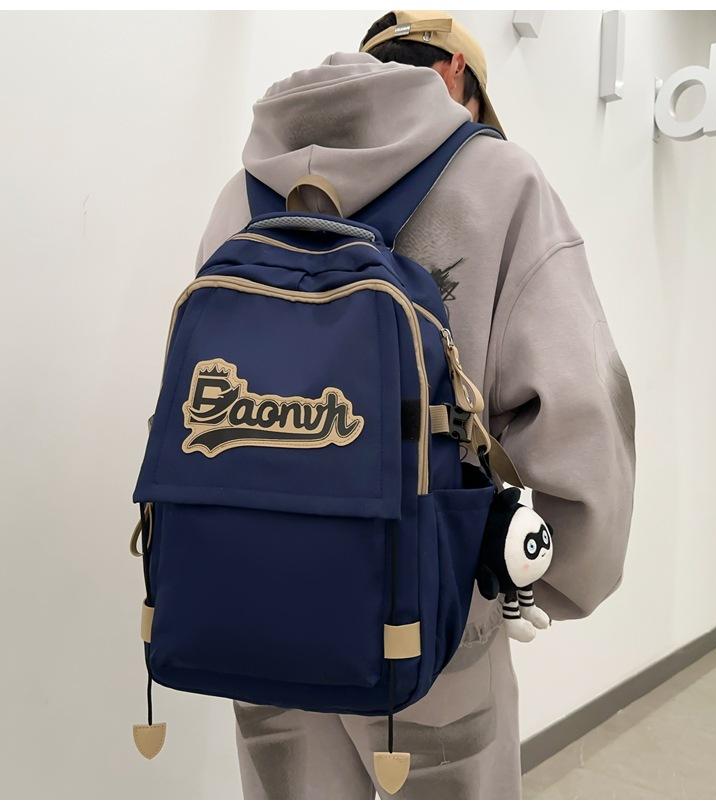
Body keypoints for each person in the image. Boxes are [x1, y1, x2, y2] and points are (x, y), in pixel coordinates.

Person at [195, 10, 636, 801]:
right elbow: (582, 414)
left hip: (255, 604)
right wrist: (546, 575)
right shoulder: (503, 179)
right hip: (431, 620)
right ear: (458, 72)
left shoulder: (243, 192)